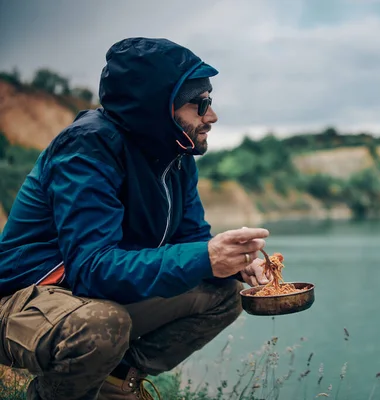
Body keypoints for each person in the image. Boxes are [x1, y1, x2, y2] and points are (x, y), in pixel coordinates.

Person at [0, 37, 272, 400]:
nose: (211, 115)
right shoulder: (87, 148)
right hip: (23, 298)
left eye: (210, 100)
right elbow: (93, 269)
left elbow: (190, 240)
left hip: (84, 297)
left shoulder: (176, 155)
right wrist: (206, 256)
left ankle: (113, 384)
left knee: (223, 293)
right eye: (199, 103)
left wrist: (234, 264)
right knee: (102, 326)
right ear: (158, 109)